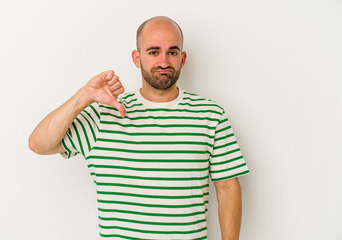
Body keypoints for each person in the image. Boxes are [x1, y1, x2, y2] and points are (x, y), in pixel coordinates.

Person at [29, 16, 249, 240]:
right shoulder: (103, 115)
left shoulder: (211, 115)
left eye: (172, 52)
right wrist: (84, 96)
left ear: (183, 59)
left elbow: (228, 189)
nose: (164, 61)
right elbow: (39, 144)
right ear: (137, 58)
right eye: (154, 52)